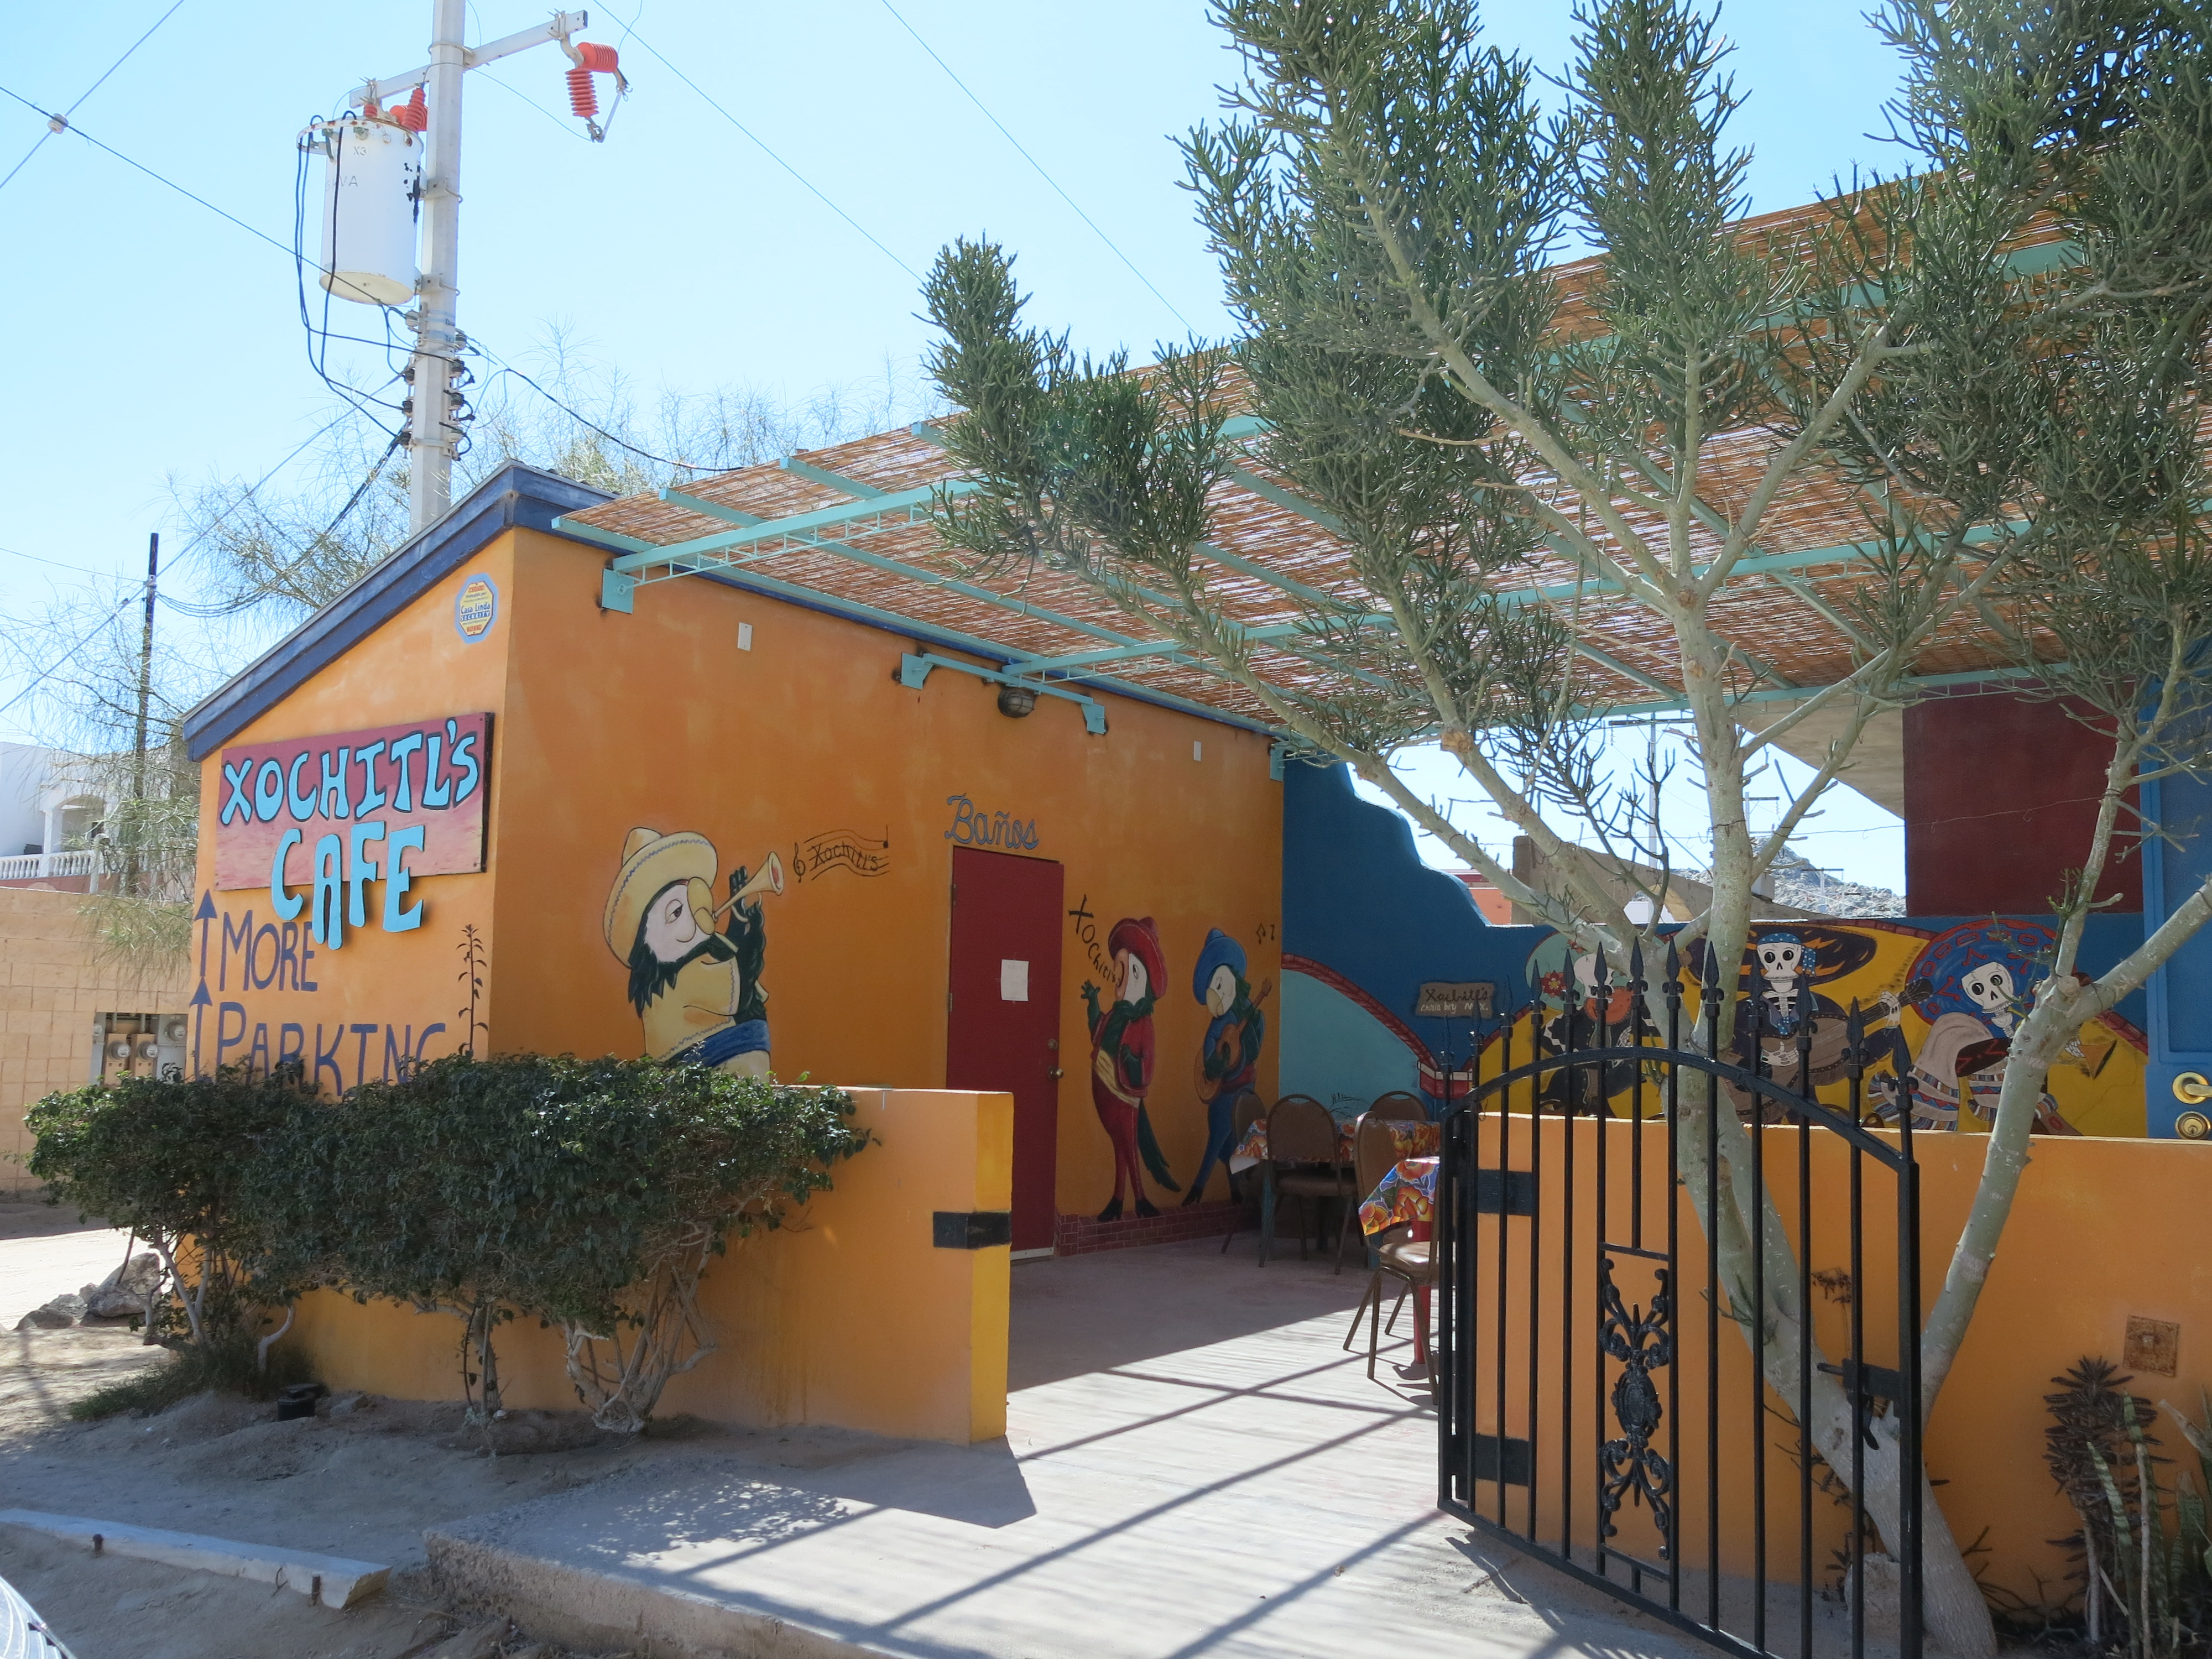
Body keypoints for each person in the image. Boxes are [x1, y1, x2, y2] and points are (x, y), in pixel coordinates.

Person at [602, 826, 779, 1076]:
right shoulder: (679, 980)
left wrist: (739, 920)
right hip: (718, 1059)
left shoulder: (694, 955)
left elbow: (727, 960)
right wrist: (754, 935)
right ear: (647, 943)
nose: (698, 912)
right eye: (676, 912)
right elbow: (739, 980)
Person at [1082, 916, 1180, 1219]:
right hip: (1107, 1094)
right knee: (1121, 1147)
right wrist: (1093, 1002)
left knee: (1128, 1146)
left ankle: (1137, 1199)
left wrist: (1132, 1061)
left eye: (1132, 971)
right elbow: (1097, 1030)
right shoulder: (1116, 1014)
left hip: (1125, 1097)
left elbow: (1147, 1064)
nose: (1122, 978)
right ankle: (1121, 1199)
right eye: (1121, 970)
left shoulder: (1143, 1023)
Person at [1185, 927, 1270, 1204]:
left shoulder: (1249, 1013)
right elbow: (1210, 1061)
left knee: (1237, 1142)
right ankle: (1203, 1188)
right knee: (1220, 1136)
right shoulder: (1217, 1025)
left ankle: (1232, 1191)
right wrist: (1219, 1062)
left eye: (1220, 984)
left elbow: (1257, 1039)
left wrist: (1250, 1034)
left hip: (1246, 1087)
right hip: (1225, 1091)